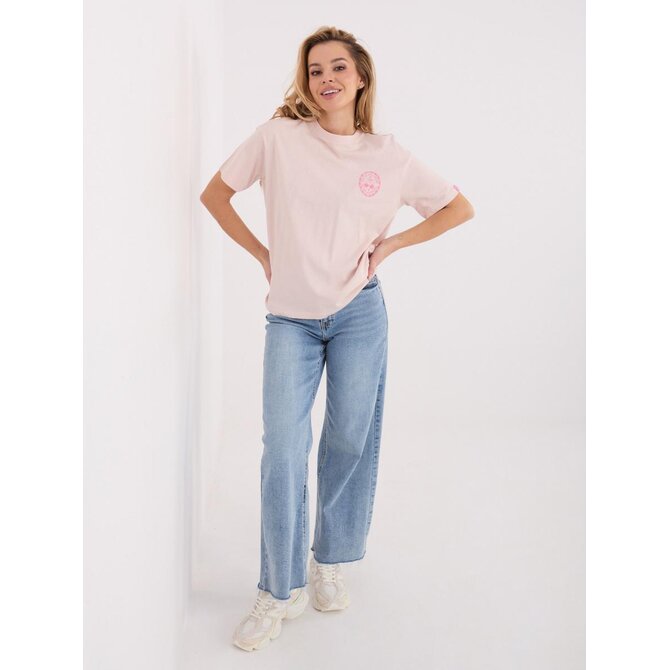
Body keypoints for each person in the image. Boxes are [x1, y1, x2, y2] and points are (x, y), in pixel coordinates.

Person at [199, 25, 475, 652]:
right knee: (284, 449)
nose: (326, 78)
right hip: (290, 320)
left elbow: (458, 208)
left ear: (360, 76)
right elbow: (216, 195)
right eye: (315, 69)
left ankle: (330, 560)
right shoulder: (277, 138)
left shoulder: (388, 155)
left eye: (338, 67)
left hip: (359, 314)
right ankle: (277, 590)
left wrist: (394, 244)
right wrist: (264, 255)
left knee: (350, 437)